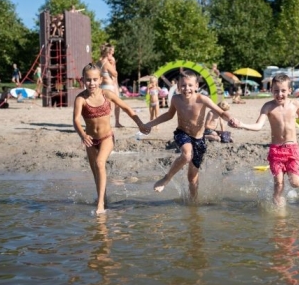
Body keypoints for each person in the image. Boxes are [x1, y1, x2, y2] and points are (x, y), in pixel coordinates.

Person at [143, 70, 235, 201]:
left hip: (199, 139)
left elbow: (221, 112)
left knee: (192, 178)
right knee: (186, 155)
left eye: (190, 85)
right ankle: (166, 178)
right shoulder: (176, 99)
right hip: (182, 133)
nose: (187, 88)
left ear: (197, 86)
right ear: (178, 86)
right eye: (183, 85)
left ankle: (193, 204)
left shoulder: (202, 99)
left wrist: (231, 119)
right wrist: (150, 124)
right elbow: (169, 115)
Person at [230, 73, 299, 206]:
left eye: (283, 90)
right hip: (276, 150)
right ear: (271, 90)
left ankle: (287, 190)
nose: (280, 94)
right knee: (278, 183)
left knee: (295, 183)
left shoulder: (295, 105)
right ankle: (278, 207)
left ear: (290, 90)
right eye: (276, 91)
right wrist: (242, 125)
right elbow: (258, 125)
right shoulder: (268, 107)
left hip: (292, 149)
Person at [73, 63, 148, 214]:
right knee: (95, 170)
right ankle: (104, 198)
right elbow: (75, 120)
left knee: (100, 163)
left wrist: (140, 123)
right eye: (88, 80)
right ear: (83, 80)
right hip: (90, 140)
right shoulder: (80, 99)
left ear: (100, 80)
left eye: (95, 79)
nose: (91, 83)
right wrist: (82, 134)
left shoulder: (106, 94)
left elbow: (126, 108)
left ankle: (100, 204)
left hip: (107, 138)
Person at [97, 43, 124, 127]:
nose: (112, 55)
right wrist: (113, 64)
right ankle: (113, 123)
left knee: (103, 106)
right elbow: (115, 74)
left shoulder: (98, 63)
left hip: (102, 86)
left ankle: (104, 123)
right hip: (109, 86)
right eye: (111, 53)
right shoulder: (107, 64)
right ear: (108, 53)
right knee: (111, 107)